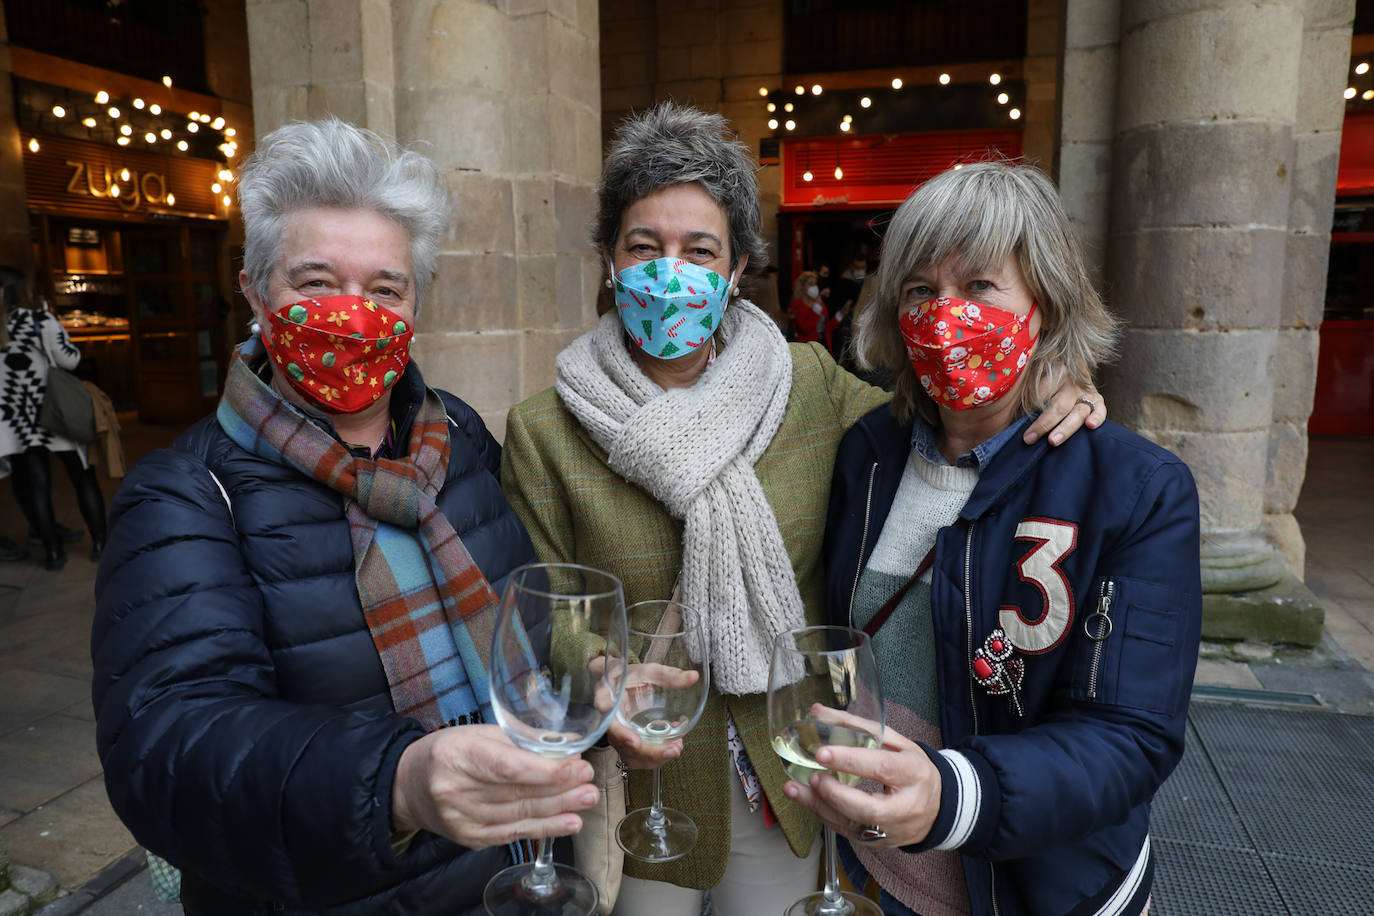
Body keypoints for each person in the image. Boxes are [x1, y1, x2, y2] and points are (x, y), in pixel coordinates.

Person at [499, 103, 1107, 916]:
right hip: (645, 783)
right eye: (644, 246)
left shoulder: (809, 385)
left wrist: (1049, 380)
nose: (667, 270)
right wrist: (597, 670)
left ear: (737, 267)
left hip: (783, 771)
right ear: (610, 259)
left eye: (698, 250)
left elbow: (940, 416)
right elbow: (547, 600)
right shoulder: (544, 427)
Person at [91, 119, 599, 916]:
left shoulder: (457, 434)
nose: (351, 315)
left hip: (513, 868)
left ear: (415, 306)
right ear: (258, 295)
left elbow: (516, 622)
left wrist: (593, 689)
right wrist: (397, 783)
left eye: (384, 289)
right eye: (316, 282)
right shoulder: (186, 494)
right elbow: (167, 754)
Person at [789, 160, 1202, 916]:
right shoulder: (868, 456)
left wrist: (951, 797)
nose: (945, 317)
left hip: (1039, 890)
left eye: (979, 286)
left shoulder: (1134, 489)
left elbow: (1130, 735)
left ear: (1042, 304)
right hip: (874, 874)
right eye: (920, 290)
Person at [0, 266, 107, 568]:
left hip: (15, 420)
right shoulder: (39, 320)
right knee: (82, 477)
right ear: (22, 290)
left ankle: (53, 553)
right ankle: (100, 543)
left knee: (35, 484)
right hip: (53, 411)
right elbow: (69, 359)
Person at [787, 269, 841, 348]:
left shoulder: (819, 304)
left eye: (815, 284)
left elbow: (826, 328)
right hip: (806, 348)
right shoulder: (796, 305)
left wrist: (839, 316)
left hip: (822, 345)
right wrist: (816, 310)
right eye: (810, 284)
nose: (814, 287)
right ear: (802, 286)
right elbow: (805, 328)